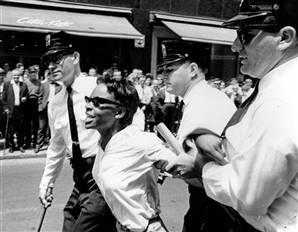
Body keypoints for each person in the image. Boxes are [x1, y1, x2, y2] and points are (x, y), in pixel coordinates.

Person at [166, 0, 298, 231]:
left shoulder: (281, 97)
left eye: (245, 35)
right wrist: (207, 138)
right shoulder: (278, 86)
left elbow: (250, 197)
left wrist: (201, 167)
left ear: (285, 38)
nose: (235, 46)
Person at [38, 31, 117, 232]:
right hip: (80, 175)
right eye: (48, 61)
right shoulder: (55, 102)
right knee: (70, 222)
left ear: (75, 57)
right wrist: (47, 182)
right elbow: (56, 146)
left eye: (57, 58)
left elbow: (130, 120)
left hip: (102, 173)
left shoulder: (98, 89)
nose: (51, 66)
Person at [157, 40, 236, 232]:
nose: (163, 76)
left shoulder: (204, 102)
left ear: (193, 70)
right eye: (163, 71)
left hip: (214, 202)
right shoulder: (201, 98)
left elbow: (198, 160)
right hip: (210, 197)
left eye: (170, 70)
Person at [86, 77, 177, 232]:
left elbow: (185, 167)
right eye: (88, 100)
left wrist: (168, 166)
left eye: (96, 102)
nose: (87, 106)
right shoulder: (103, 142)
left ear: (119, 112)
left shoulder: (141, 141)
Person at [2, 69, 28, 153]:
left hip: (20, 110)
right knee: (11, 130)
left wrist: (25, 98)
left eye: (17, 76)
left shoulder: (23, 85)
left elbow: (27, 94)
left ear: (19, 77)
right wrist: (6, 108)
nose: (16, 78)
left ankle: (20, 145)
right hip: (10, 110)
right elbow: (3, 99)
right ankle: (11, 146)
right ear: (12, 77)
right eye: (14, 76)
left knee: (20, 129)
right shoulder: (7, 85)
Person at [24, 65, 41, 149]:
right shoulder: (25, 82)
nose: (33, 74)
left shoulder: (39, 82)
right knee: (27, 124)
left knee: (35, 125)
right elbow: (23, 93)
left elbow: (41, 93)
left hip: (36, 103)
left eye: (34, 72)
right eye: (31, 72)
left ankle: (35, 143)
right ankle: (27, 143)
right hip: (27, 103)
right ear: (29, 73)